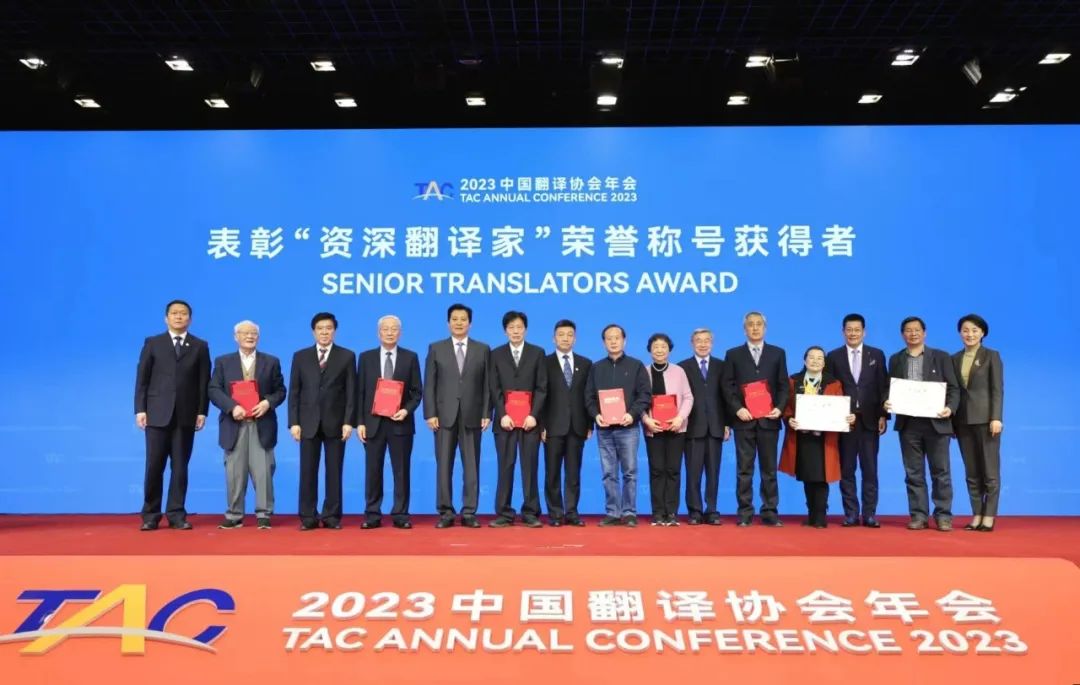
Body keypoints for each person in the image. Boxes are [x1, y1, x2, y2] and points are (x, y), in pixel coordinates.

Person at [134, 299, 210, 531]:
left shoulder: (199, 346)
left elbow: (203, 382)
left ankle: (176, 513)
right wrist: (140, 409)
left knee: (180, 467)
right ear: (166, 318)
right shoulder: (153, 343)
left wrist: (202, 411)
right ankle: (150, 515)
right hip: (156, 414)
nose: (179, 317)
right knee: (154, 465)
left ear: (190, 319)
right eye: (174, 313)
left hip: (186, 415)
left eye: (183, 313)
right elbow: (142, 379)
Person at [207, 320, 286, 529]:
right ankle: (234, 515)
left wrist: (267, 403)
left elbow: (280, 391)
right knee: (234, 472)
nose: (250, 336)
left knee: (264, 471)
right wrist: (232, 407)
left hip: (262, 423)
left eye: (253, 334)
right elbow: (214, 390)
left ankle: (264, 514)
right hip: (234, 424)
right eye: (244, 333)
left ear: (258, 337)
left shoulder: (271, 361)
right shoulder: (223, 362)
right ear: (236, 337)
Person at [886, 316, 960, 532]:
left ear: (924, 333)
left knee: (941, 472)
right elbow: (888, 387)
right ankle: (918, 515)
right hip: (909, 425)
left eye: (917, 330)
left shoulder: (941, 356)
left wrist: (950, 408)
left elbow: (953, 388)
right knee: (913, 473)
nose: (913, 334)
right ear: (903, 335)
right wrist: (886, 401)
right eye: (908, 330)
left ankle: (943, 516)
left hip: (937, 423)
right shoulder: (896, 359)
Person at [424, 303, 491, 529]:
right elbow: (429, 384)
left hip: (473, 414)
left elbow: (487, 385)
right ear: (448, 323)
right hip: (443, 416)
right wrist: (430, 413)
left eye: (463, 319)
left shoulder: (482, 349)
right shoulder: (436, 348)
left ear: (470, 323)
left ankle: (469, 511)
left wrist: (486, 413)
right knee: (444, 465)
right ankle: (445, 511)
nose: (459, 323)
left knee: (471, 466)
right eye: (455, 319)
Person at [288, 312, 356, 531]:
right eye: (320, 328)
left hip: (336, 423)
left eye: (328, 328)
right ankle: (308, 517)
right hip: (307, 423)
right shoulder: (301, 356)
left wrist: (349, 422)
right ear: (313, 332)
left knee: (334, 472)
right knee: (307, 472)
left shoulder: (347, 356)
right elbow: (294, 392)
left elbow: (351, 392)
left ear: (334, 331)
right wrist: (294, 422)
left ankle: (331, 516)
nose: (324, 332)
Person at [721, 311, 789, 526]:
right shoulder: (733, 354)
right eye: (750, 324)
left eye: (759, 324)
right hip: (744, 420)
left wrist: (779, 408)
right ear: (745, 329)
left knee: (769, 470)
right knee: (744, 470)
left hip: (769, 420)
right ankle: (744, 513)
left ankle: (770, 512)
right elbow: (727, 386)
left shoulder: (777, 353)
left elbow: (783, 385)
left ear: (765, 328)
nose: (755, 328)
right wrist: (737, 409)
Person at [356, 315, 423, 530]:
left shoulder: (410, 357)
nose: (390, 332)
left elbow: (417, 392)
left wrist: (406, 410)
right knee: (373, 470)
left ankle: (401, 514)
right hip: (373, 423)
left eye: (394, 329)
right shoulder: (365, 358)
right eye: (385, 329)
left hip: (400, 423)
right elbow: (360, 392)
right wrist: (360, 422)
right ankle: (372, 514)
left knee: (401, 471)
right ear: (379, 333)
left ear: (400, 333)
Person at [825, 314, 889, 528]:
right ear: (843, 332)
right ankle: (851, 513)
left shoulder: (876, 355)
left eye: (857, 330)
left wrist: (883, 415)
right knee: (847, 469)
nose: (853, 333)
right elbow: (830, 389)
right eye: (849, 330)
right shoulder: (833, 356)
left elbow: (883, 386)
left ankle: (869, 514)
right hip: (845, 422)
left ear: (864, 332)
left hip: (870, 421)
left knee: (870, 470)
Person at [779, 346, 855, 528]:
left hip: (824, 439)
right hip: (802, 437)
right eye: (811, 357)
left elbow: (840, 408)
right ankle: (811, 514)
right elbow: (787, 407)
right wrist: (789, 419)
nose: (815, 361)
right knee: (807, 476)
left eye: (819, 358)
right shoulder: (794, 381)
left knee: (821, 477)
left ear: (824, 363)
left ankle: (820, 516)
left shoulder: (833, 383)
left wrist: (848, 418)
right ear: (804, 361)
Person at [585, 324, 651, 527]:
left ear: (624, 340)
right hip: (604, 429)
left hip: (628, 428)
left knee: (629, 472)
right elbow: (588, 397)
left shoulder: (636, 365)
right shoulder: (596, 368)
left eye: (617, 338)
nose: (613, 341)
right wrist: (596, 415)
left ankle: (629, 512)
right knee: (609, 473)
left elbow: (645, 395)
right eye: (609, 338)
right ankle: (613, 512)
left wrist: (632, 414)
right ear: (603, 342)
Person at [489, 311, 549, 528]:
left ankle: (530, 512)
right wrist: (502, 414)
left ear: (526, 329)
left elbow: (542, 387)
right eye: (511, 327)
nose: (515, 331)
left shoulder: (537, 353)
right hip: (504, 422)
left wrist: (534, 416)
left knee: (530, 467)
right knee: (505, 467)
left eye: (519, 327)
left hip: (529, 423)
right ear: (505, 331)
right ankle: (504, 513)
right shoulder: (495, 354)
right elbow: (494, 387)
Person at [952, 314, 1004, 532]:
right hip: (962, 421)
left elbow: (997, 389)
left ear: (982, 333)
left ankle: (989, 516)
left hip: (986, 421)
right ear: (960, 333)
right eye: (965, 330)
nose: (970, 334)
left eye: (974, 330)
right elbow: (953, 391)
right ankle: (977, 514)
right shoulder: (954, 358)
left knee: (990, 472)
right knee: (971, 472)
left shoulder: (991, 356)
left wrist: (996, 417)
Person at [540, 320, 593, 527]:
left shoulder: (585, 363)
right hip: (552, 427)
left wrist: (590, 424)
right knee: (552, 473)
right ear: (554, 338)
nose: (565, 338)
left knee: (573, 473)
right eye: (561, 335)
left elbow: (589, 396)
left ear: (575, 339)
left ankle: (571, 512)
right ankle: (555, 514)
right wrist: (541, 425)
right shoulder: (544, 362)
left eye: (569, 335)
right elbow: (540, 395)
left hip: (577, 426)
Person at [678, 328, 731, 525]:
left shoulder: (722, 366)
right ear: (692, 343)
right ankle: (695, 511)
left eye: (706, 340)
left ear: (712, 343)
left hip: (716, 426)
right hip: (692, 427)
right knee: (693, 473)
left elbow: (727, 397)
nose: (702, 344)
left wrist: (727, 423)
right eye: (698, 340)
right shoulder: (683, 367)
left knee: (713, 473)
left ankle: (712, 510)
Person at [641, 333, 694, 526]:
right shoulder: (643, 372)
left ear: (669, 350)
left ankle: (671, 513)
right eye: (655, 346)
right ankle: (657, 513)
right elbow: (638, 400)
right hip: (653, 429)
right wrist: (646, 419)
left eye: (663, 346)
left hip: (676, 428)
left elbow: (688, 397)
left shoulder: (679, 371)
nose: (659, 350)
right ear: (650, 350)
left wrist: (680, 418)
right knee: (657, 470)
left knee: (673, 470)